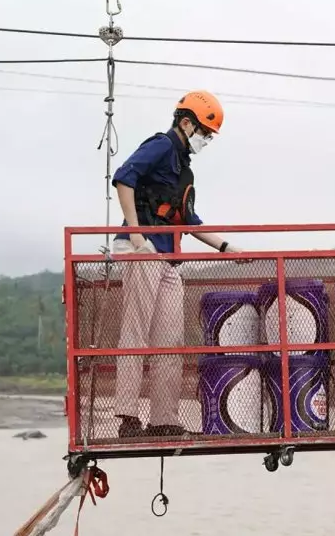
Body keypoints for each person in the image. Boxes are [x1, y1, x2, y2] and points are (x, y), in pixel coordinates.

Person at [110, 90, 243, 438]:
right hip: (143, 248)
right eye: (204, 133)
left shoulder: (183, 168)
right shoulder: (162, 145)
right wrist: (137, 236)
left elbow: (189, 220)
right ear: (186, 123)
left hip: (167, 258)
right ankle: (127, 417)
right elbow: (124, 176)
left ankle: (163, 419)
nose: (206, 141)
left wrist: (227, 248)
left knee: (170, 340)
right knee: (136, 334)